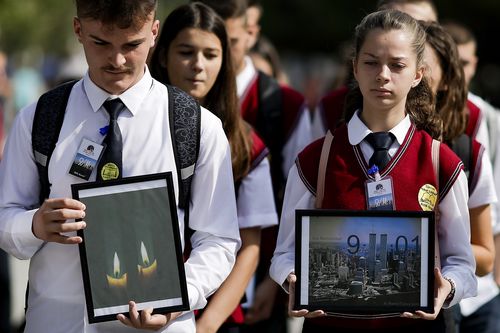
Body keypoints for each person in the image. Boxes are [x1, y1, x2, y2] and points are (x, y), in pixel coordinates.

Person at [0, 1, 241, 332]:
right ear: (78, 30)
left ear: (154, 33)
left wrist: (177, 297)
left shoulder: (197, 127)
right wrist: (35, 225)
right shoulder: (39, 118)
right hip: (59, 322)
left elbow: (219, 239)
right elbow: (4, 215)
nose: (117, 60)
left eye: (132, 45)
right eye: (101, 43)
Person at [270, 9, 477, 333]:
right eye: (370, 62)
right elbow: (283, 253)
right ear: (354, 67)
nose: (383, 74)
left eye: (397, 65)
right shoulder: (315, 159)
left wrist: (446, 287)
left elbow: (463, 263)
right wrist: (292, 278)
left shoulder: (442, 162)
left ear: (418, 74)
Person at [149, 3, 278, 332]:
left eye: (211, 54)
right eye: (186, 52)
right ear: (163, 55)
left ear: (225, 61)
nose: (198, 65)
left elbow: (249, 248)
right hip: (141, 301)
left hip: (215, 316)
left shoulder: (247, 144)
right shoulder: (138, 129)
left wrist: (206, 325)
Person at [422, 20, 497, 333]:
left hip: (456, 303)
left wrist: (427, 255)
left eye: (420, 64)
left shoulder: (465, 147)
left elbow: (484, 255)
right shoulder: (353, 141)